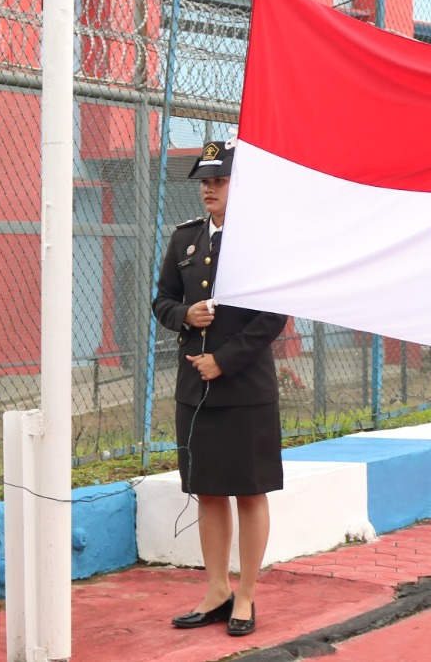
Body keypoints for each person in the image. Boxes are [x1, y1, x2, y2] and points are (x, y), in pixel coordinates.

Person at [152, 140, 289, 638]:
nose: (209, 189)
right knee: (208, 492)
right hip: (195, 390)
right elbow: (162, 300)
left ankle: (246, 595)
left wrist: (224, 360)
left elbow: (273, 314)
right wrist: (183, 314)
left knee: (249, 493)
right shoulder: (185, 239)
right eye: (205, 182)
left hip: (246, 389)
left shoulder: (259, 242)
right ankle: (216, 590)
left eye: (219, 180)